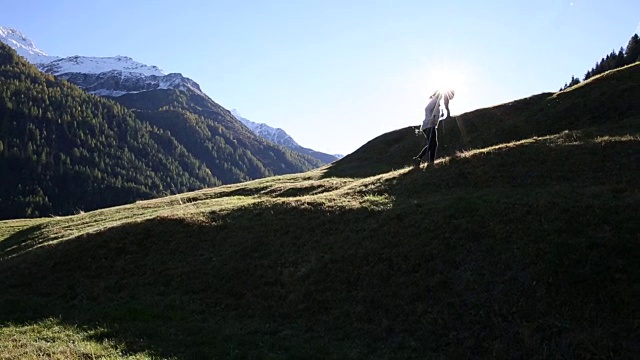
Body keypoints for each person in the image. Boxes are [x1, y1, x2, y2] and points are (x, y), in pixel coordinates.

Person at [413, 90, 454, 167]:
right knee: (433, 144)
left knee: (433, 144)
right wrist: (430, 118)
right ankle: (419, 158)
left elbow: (433, 113)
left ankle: (430, 162)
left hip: (430, 125)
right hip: (429, 125)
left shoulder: (437, 103)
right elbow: (427, 109)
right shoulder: (435, 100)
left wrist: (439, 116)